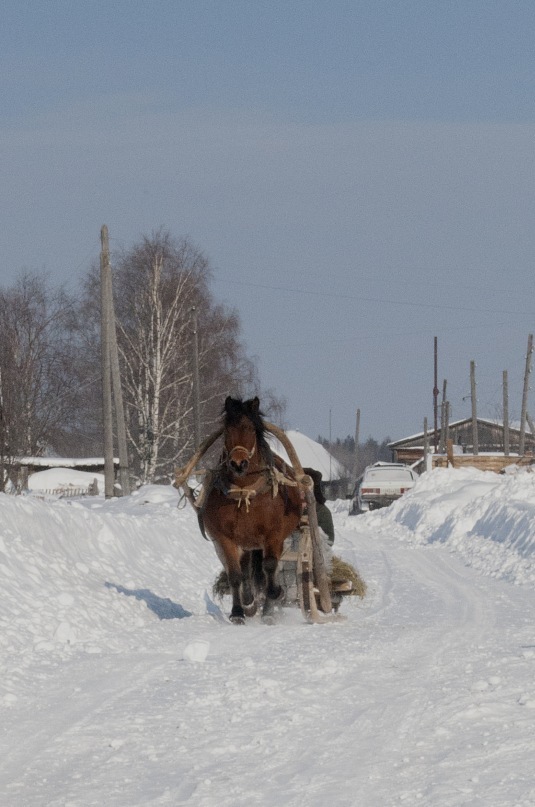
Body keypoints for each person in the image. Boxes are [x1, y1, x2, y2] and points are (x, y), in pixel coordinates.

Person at [278, 467, 334, 605]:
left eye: (304, 490)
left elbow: (329, 538)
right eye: (298, 490)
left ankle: (295, 594)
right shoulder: (285, 509)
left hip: (310, 552)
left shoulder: (321, 511)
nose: (301, 494)